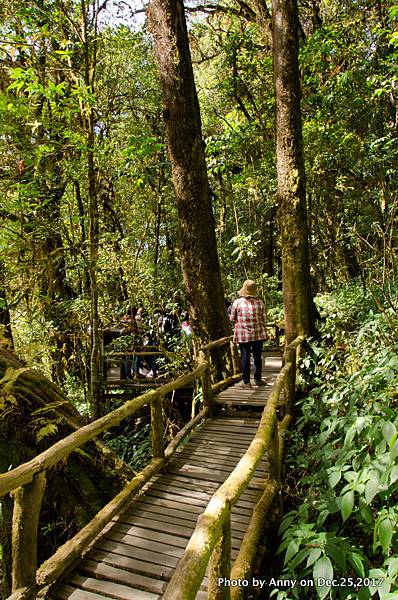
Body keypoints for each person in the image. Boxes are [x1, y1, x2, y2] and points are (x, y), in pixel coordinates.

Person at [229, 279, 267, 388]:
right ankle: (257, 379)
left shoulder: (237, 302)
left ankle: (246, 382)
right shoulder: (260, 303)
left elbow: (232, 318)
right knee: (257, 357)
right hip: (258, 334)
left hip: (243, 335)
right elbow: (264, 319)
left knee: (245, 357)